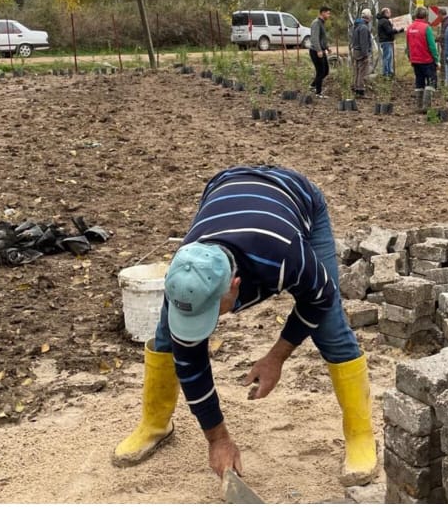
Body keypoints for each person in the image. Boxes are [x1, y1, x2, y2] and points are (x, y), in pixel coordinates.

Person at [113, 164, 377, 486]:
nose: (206, 323)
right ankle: (154, 425)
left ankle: (360, 435)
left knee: (330, 328)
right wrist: (217, 439)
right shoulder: (187, 276)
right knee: (169, 336)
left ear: (235, 286)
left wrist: (276, 357)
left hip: (297, 199)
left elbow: (319, 298)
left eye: (214, 311)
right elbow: (189, 359)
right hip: (226, 188)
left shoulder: (284, 256)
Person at [405, 5, 438, 88]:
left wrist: (410, 57)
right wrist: (436, 59)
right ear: (426, 16)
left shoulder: (409, 28)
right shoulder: (426, 28)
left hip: (415, 60)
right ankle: (427, 100)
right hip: (427, 60)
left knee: (419, 82)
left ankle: (419, 99)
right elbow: (432, 46)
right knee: (431, 82)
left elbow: (408, 45)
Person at [308, 6, 332, 95]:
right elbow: (314, 38)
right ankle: (318, 92)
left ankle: (313, 86)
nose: (329, 15)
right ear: (322, 13)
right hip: (315, 51)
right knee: (320, 71)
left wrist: (327, 48)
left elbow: (322, 38)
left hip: (321, 50)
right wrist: (318, 50)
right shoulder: (316, 23)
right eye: (328, 13)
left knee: (325, 71)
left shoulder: (322, 23)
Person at [350, 8, 373, 96]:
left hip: (356, 51)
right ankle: (360, 90)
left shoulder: (357, 25)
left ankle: (356, 87)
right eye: (370, 16)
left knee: (357, 70)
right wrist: (366, 55)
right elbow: (364, 43)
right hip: (361, 52)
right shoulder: (363, 27)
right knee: (362, 71)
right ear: (368, 17)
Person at [376, 6, 397, 79]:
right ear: (386, 13)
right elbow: (389, 31)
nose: (390, 13)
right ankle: (386, 73)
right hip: (386, 41)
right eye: (389, 12)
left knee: (389, 57)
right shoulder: (384, 21)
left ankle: (389, 72)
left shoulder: (382, 20)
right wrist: (397, 30)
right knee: (387, 57)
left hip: (386, 41)